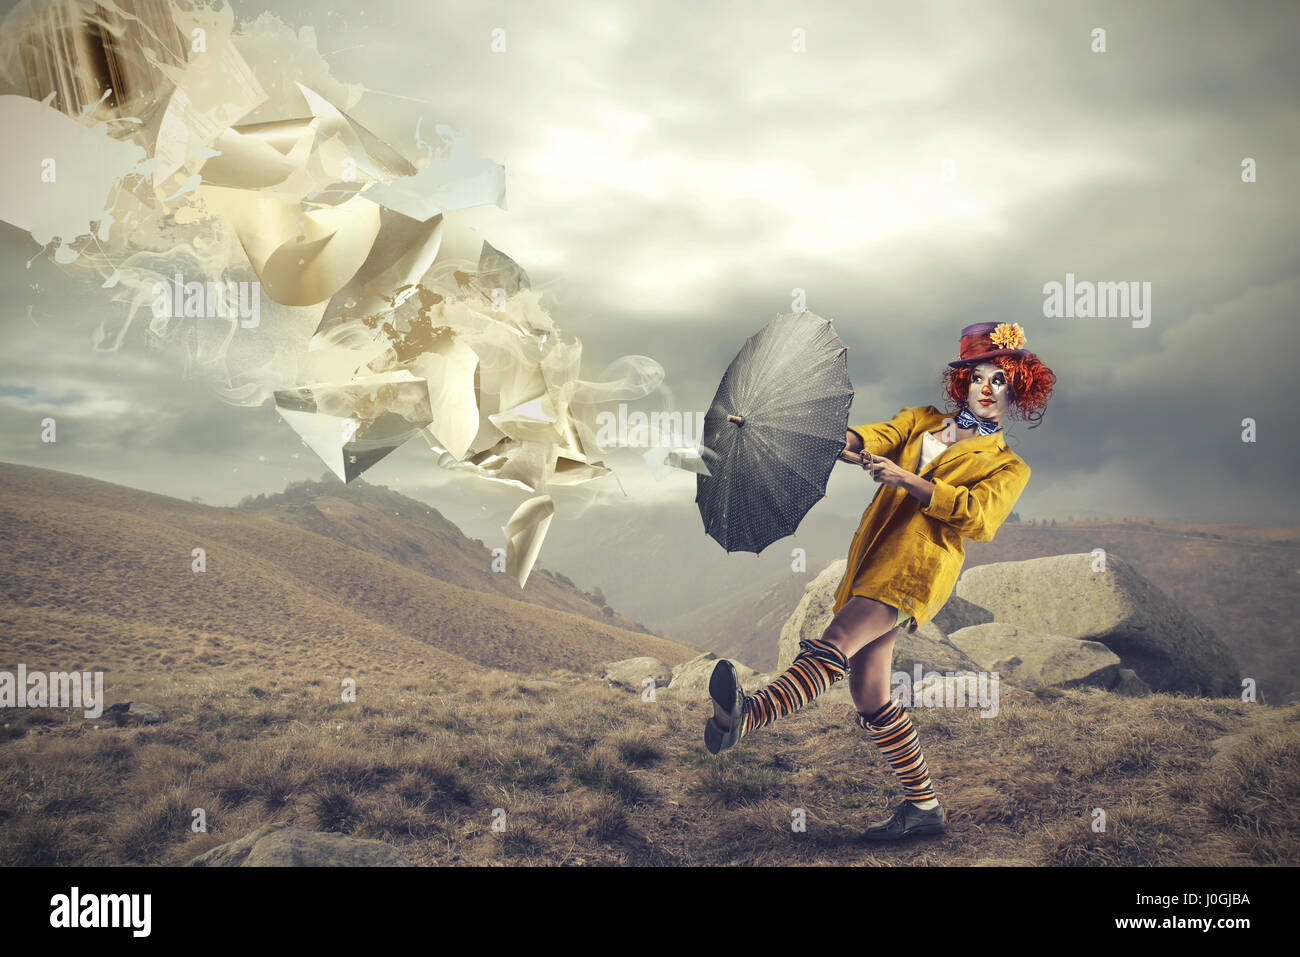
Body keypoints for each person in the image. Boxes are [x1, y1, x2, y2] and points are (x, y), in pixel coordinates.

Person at [703, 321, 1056, 840]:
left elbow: (978, 518)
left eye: (1000, 379)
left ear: (1017, 389)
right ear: (962, 381)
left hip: (916, 568)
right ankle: (925, 808)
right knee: (869, 694)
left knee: (835, 642)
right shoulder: (922, 421)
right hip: (871, 557)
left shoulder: (1007, 465)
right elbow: (878, 436)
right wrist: (841, 441)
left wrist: (907, 479)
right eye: (977, 375)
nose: (987, 387)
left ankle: (747, 717)